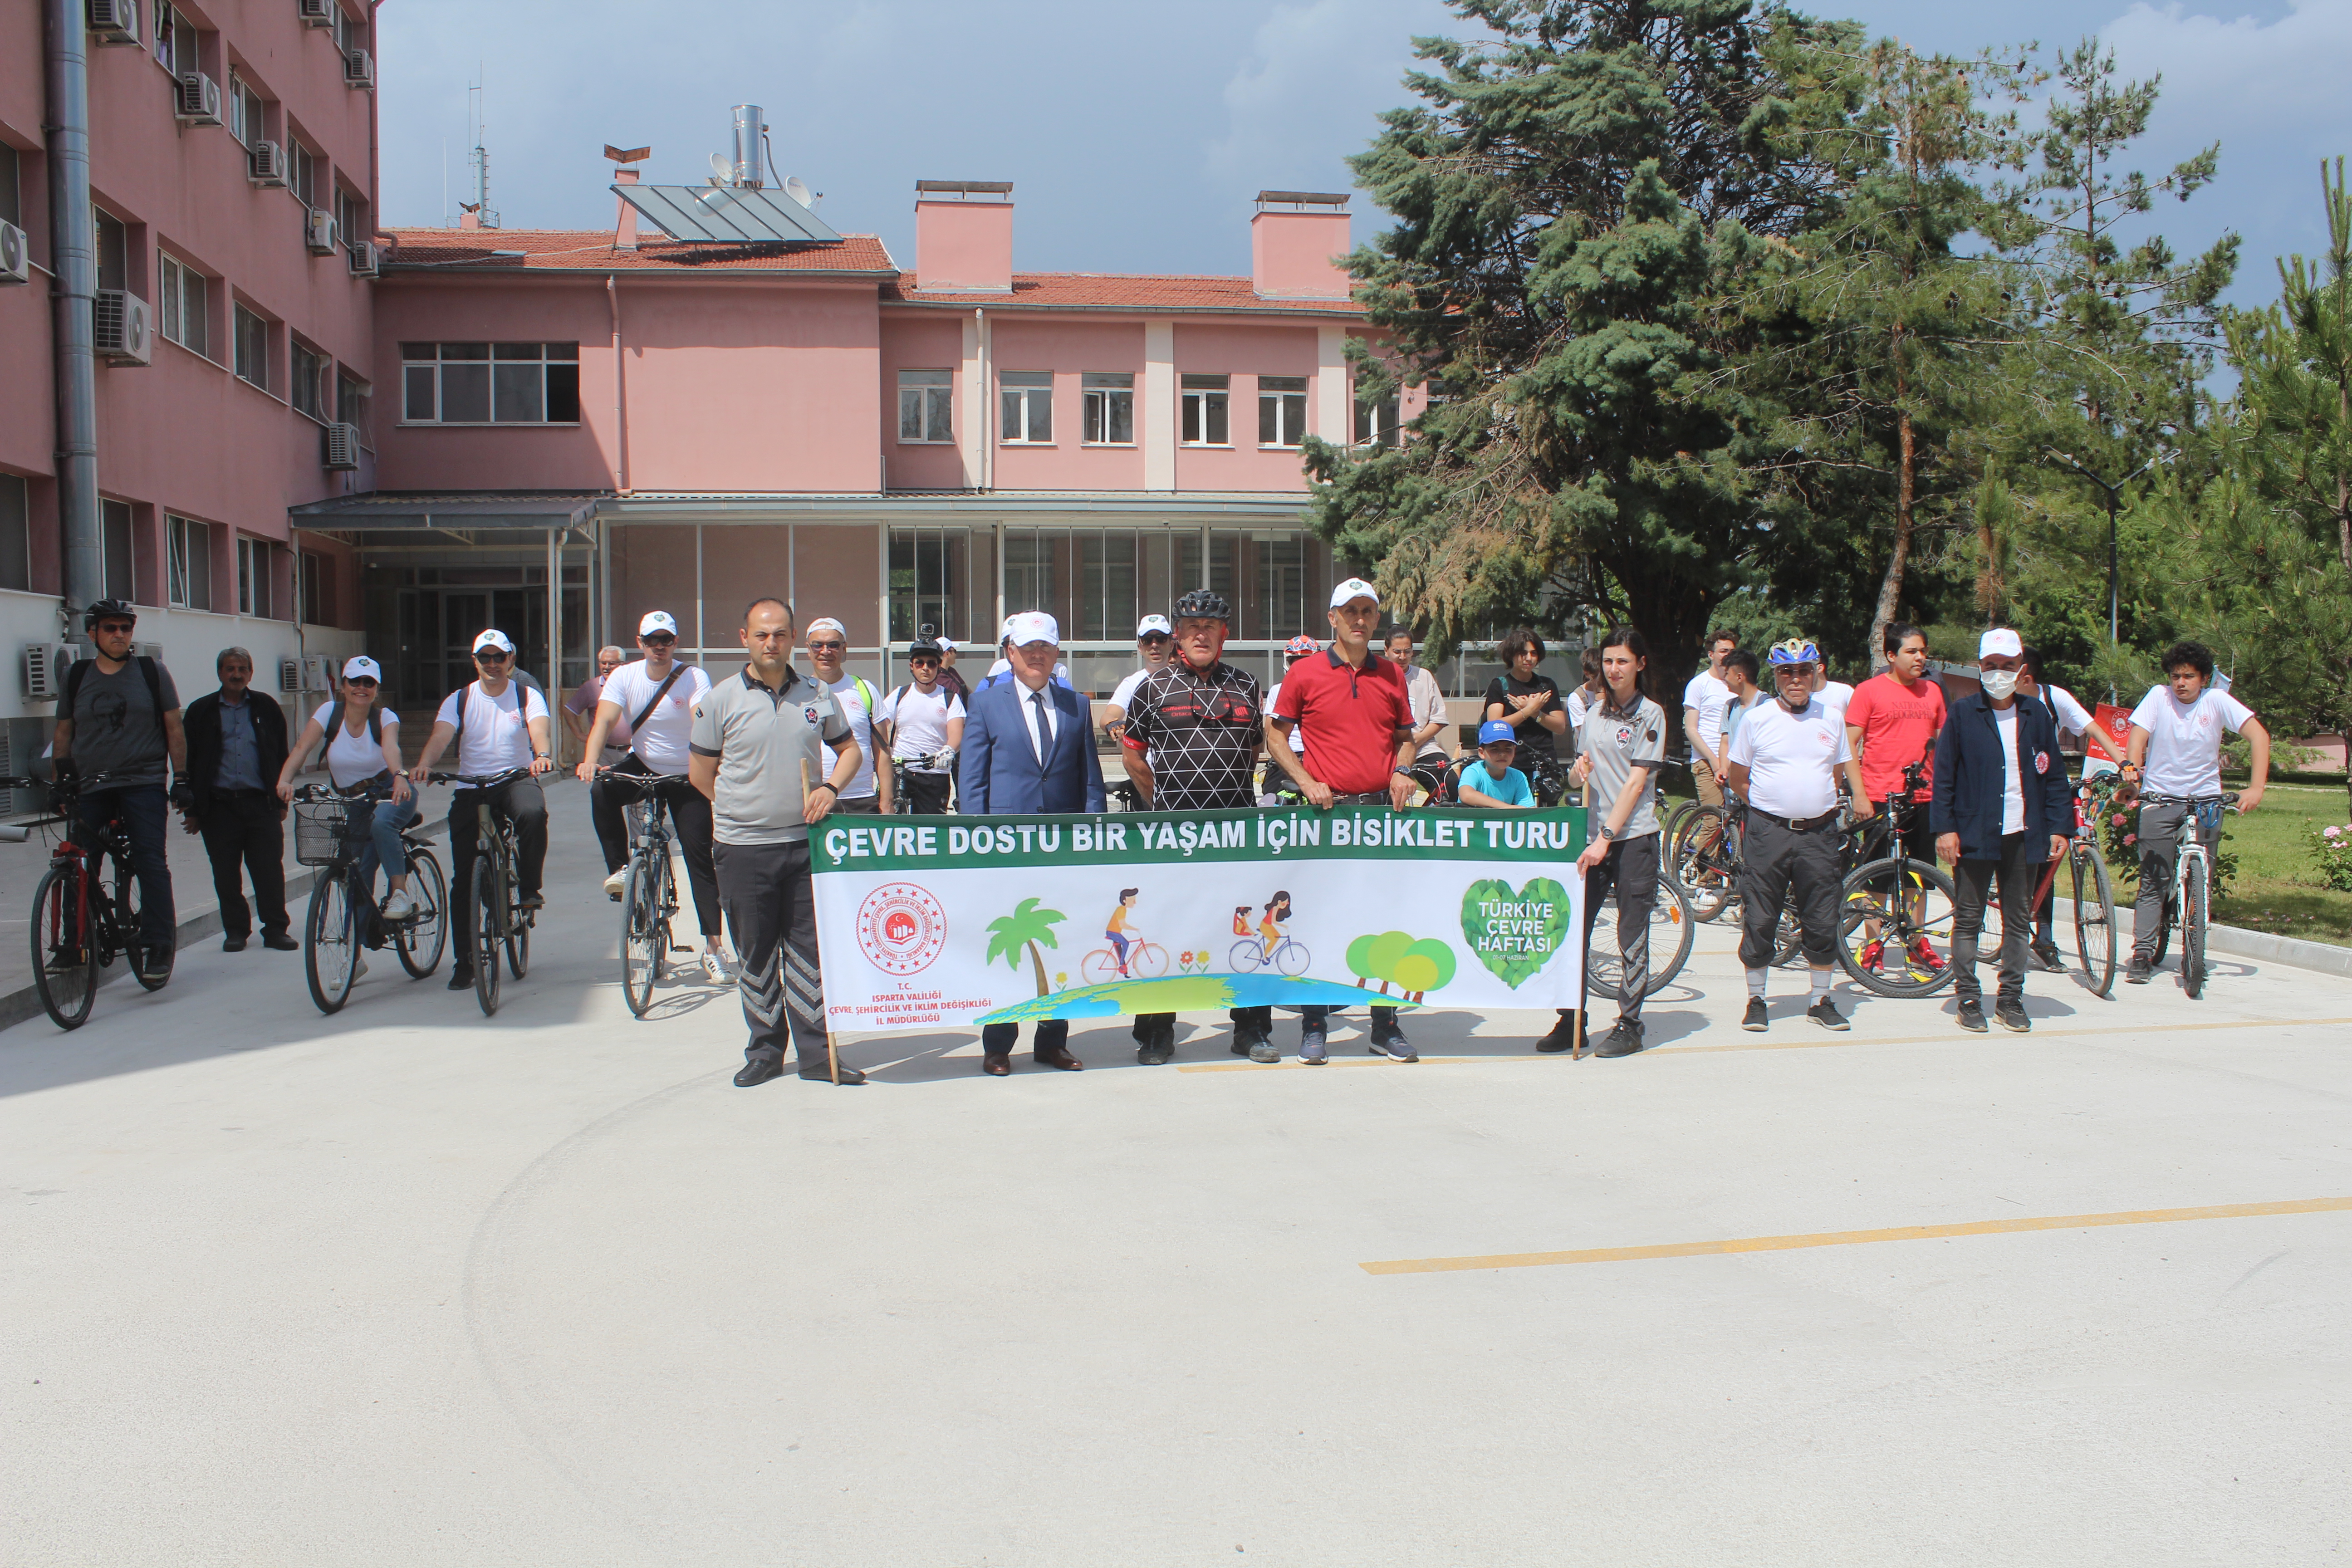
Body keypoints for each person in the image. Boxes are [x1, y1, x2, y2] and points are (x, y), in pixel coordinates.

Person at [689, 598, 865, 1087]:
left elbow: (849, 750)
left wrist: (830, 789)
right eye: (763, 634)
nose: (772, 643)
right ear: (744, 637)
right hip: (742, 849)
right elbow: (701, 773)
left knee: (810, 954)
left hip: (804, 846)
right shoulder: (720, 699)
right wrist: (742, 807)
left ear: (793, 640)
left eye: (782, 634)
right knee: (757, 954)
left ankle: (816, 1056)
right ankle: (765, 1051)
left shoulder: (816, 694)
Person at [1267, 578, 1419, 1064]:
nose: (1359, 619)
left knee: (1384, 920)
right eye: (1350, 611)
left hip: (1380, 812)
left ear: (1376, 619)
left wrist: (1403, 769)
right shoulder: (1305, 673)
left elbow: (1406, 737)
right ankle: (1315, 1024)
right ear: (1332, 618)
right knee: (1319, 920)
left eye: (1368, 611)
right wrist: (1305, 779)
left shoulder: (1392, 675)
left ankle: (1384, 1024)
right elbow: (1275, 736)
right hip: (1326, 814)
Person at [1119, 587, 1275, 1063]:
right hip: (1175, 837)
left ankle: (1251, 1030)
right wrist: (1165, 807)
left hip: (1236, 834)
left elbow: (1252, 751)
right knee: (1166, 932)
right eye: (1191, 629)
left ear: (1224, 634)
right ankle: (1157, 1034)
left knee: (1245, 933)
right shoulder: (1152, 688)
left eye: (1210, 627)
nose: (1201, 635)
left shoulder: (1248, 686)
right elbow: (1133, 756)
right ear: (1177, 637)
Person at [960, 611, 1105, 1075]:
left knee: (1061, 943)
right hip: (1005, 847)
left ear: (1057, 653)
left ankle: (1052, 1040)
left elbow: (1091, 781)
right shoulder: (986, 704)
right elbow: (973, 781)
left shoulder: (1076, 705)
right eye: (1027, 649)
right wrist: (975, 839)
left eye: (1045, 648)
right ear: (1010, 654)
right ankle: (999, 1044)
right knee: (1009, 949)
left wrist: (1094, 834)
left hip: (1063, 848)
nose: (1036, 655)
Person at [1723, 636, 1873, 1033]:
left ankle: (1820, 1000)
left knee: (1822, 916)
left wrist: (1846, 796)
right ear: (1776, 675)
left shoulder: (1830, 717)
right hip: (1768, 831)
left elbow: (1841, 765)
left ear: (1815, 673)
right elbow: (1739, 778)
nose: (1796, 679)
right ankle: (1757, 1000)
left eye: (1804, 671)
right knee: (1761, 915)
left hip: (1819, 834)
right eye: (1787, 672)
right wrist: (1774, 804)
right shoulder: (1757, 719)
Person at [1930, 628, 2074, 1034]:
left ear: (2020, 669)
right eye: (1991, 666)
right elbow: (1944, 777)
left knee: (2017, 920)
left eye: (2007, 666)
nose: (1998, 673)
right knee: (1969, 918)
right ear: (1980, 668)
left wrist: (2060, 826)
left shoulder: (2036, 714)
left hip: (2024, 833)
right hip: (1974, 831)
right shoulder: (1963, 713)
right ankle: (1969, 997)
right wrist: (1945, 828)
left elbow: (2055, 775)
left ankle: (2011, 998)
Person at [577, 611, 728, 983]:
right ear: (640, 643)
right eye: (651, 641)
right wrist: (590, 761)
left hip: (685, 772)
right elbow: (605, 722)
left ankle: (714, 947)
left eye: (667, 641)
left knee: (699, 858)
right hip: (643, 763)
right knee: (602, 790)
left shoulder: (693, 677)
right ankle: (621, 869)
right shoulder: (625, 676)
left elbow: (702, 719)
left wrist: (713, 767)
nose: (659, 648)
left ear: (675, 643)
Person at [409, 629, 555, 993]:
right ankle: (466, 961)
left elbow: (540, 730)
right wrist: (425, 764)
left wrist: (542, 756)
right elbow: (441, 736)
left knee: (533, 814)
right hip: (472, 785)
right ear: (475, 662)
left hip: (515, 778)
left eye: (499, 657)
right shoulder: (459, 700)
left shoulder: (526, 695)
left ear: (511, 660)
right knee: (463, 879)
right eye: (485, 658)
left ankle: (528, 886)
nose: (493, 664)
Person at [2120, 639, 2270, 985]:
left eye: (2189, 676)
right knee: (2153, 880)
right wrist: (2132, 767)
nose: (2181, 683)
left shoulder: (2216, 701)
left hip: (2206, 802)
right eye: (2176, 676)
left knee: (2203, 877)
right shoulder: (2159, 697)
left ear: (2204, 678)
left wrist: (2257, 788)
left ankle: (2194, 943)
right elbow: (2138, 737)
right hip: (2160, 797)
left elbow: (2259, 737)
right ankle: (2142, 953)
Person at [50, 598, 186, 977]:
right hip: (91, 785)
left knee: (149, 859)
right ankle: (74, 944)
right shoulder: (77, 676)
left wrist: (183, 779)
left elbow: (175, 728)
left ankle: (159, 943)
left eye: (125, 628)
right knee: (79, 862)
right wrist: (62, 781)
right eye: (110, 628)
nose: (119, 635)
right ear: (93, 633)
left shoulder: (151, 672)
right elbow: (63, 732)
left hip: (142, 782)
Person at [1557, 627, 1669, 1058]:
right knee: (1576, 932)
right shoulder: (1595, 711)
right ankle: (1573, 1021)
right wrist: (1577, 771)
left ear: (1640, 664)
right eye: (1608, 661)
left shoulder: (1652, 715)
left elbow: (1636, 783)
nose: (1614, 669)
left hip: (1632, 838)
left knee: (1630, 933)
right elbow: (1575, 774)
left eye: (1622, 661)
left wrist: (1607, 838)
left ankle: (1630, 1023)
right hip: (1592, 838)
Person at [276, 657, 419, 945]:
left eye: (369, 683)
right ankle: (357, 951)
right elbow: (303, 746)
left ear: (376, 689)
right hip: (352, 801)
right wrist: (285, 780)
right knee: (353, 875)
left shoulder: (385, 717)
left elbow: (391, 748)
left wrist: (401, 776)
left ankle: (400, 894)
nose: (361, 688)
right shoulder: (329, 713)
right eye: (355, 681)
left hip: (390, 791)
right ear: (343, 686)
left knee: (381, 826)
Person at [1843, 622, 1948, 975]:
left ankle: (1916, 942)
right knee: (1879, 878)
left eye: (1923, 651)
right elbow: (1849, 746)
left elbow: (1943, 743)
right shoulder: (1869, 691)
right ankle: (1874, 943)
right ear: (1891, 655)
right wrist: (1858, 794)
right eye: (1912, 651)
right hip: (1879, 797)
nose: (1921, 657)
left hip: (1922, 796)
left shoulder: (1933, 692)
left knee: (1919, 876)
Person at [181, 646, 295, 954]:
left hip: (261, 804)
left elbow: (282, 754)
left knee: (269, 870)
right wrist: (193, 809)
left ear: (251, 673)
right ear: (220, 673)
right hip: (219, 807)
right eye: (230, 669)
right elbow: (191, 763)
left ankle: (275, 930)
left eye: (242, 669)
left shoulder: (266, 707)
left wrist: (282, 798)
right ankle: (235, 931)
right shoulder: (200, 711)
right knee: (226, 873)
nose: (236, 675)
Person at [2018, 644, 2124, 970]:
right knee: (2017, 862)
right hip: (2010, 788)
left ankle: (2045, 937)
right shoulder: (1995, 700)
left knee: (2048, 859)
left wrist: (2125, 762)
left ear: (2026, 676)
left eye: (2011, 667)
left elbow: (2094, 729)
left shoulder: (2054, 698)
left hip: (2044, 786)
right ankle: (2015, 927)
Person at [803, 618, 889, 813]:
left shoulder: (864, 690)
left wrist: (887, 802)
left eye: (833, 645)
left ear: (844, 650)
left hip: (861, 800)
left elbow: (883, 752)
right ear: (808, 650)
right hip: (816, 801)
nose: (825, 651)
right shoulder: (799, 694)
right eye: (818, 645)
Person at [873, 633, 966, 815]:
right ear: (912, 667)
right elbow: (880, 726)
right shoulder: (900, 695)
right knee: (895, 824)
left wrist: (947, 751)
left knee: (931, 829)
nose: (925, 668)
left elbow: (956, 733)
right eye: (919, 663)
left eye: (931, 664)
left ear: (939, 666)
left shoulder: (949, 698)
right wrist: (882, 751)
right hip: (902, 773)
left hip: (935, 775)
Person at [1483, 628, 1567, 803]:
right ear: (1512, 655)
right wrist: (1526, 712)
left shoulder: (1546, 685)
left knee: (1547, 817)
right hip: (1511, 762)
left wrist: (1536, 713)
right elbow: (1495, 726)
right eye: (1523, 653)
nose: (1529, 658)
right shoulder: (1500, 686)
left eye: (1534, 653)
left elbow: (1560, 727)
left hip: (1545, 762)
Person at [1386, 628, 1453, 798]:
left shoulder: (1424, 676)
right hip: (1388, 750)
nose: (1402, 657)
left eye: (1407, 652)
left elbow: (1438, 719)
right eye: (1397, 652)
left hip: (1423, 746)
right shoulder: (1377, 677)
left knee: (1450, 783)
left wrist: (1414, 742)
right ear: (1386, 651)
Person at [1682, 629, 1738, 820]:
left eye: (1731, 651)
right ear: (1711, 655)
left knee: (1741, 819)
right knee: (1714, 820)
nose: (1728, 655)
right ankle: (1703, 852)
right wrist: (1714, 762)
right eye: (1723, 651)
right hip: (1707, 761)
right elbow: (1691, 729)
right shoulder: (1699, 684)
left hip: (1735, 761)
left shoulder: (1738, 685)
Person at [1105, 615, 1176, 746]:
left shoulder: (1186, 679)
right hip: (1142, 763)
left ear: (1171, 645)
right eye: (1148, 640)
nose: (1154, 645)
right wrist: (1114, 724)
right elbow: (1109, 716)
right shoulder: (1131, 684)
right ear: (1140, 648)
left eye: (1161, 639)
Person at [563, 646, 630, 770]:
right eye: (603, 663)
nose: (607, 667)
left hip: (631, 750)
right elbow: (569, 710)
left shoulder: (632, 685)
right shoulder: (591, 687)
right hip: (604, 751)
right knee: (604, 788)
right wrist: (579, 735)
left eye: (612, 663)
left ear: (622, 664)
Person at [1262, 635, 1318, 782]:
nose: (1300, 668)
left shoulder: (1327, 690)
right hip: (1289, 754)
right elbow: (1271, 732)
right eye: (1295, 662)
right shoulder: (1278, 690)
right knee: (1272, 793)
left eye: (1307, 662)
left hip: (1318, 758)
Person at [1456, 720, 1534, 807]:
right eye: (1495, 749)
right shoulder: (1473, 771)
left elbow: (1529, 808)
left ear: (1514, 751)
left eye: (1508, 749)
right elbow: (1467, 796)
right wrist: (1507, 807)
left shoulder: (1518, 776)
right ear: (1482, 753)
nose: (1502, 754)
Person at [1717, 649, 1765, 751]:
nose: (1724, 678)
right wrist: (1724, 767)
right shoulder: (1730, 706)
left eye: (1727, 674)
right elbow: (1726, 743)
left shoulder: (1766, 705)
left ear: (1739, 677)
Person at [1564, 647, 1606, 737]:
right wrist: (1599, 703)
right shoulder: (1578, 697)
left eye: (1604, 675)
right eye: (1596, 677)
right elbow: (1584, 734)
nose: (1601, 680)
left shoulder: (1617, 691)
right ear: (1587, 674)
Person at [934, 636, 970, 703]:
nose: (956, 655)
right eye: (954, 651)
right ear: (947, 654)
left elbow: (966, 689)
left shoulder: (952, 671)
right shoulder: (936, 677)